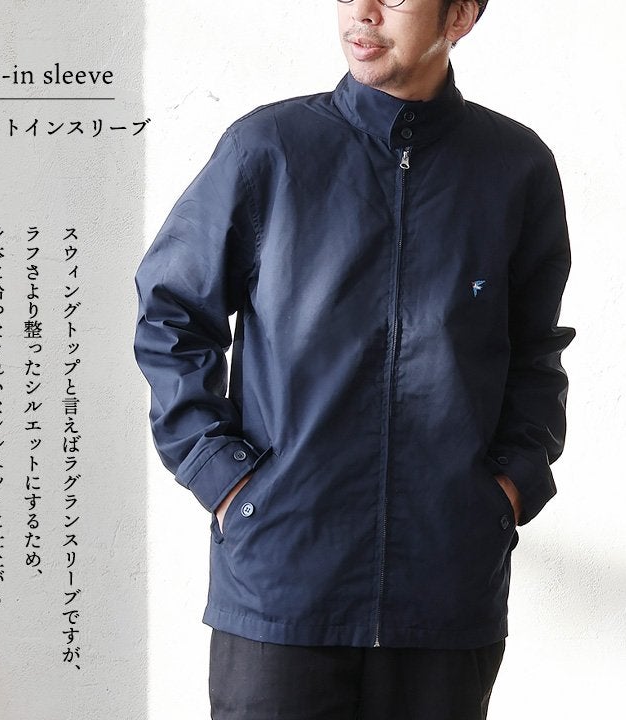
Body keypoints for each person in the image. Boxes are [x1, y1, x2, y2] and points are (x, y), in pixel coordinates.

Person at [134, 0, 575, 717]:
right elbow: (171, 313)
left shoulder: (514, 168)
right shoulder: (269, 149)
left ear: (460, 16)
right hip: (281, 585)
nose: (363, 13)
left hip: (445, 589)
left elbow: (534, 350)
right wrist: (222, 477)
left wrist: (510, 488)